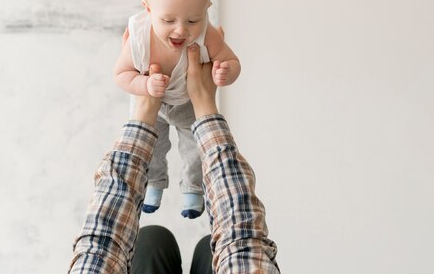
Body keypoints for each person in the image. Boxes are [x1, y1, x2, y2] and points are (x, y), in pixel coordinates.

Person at [70, 44, 279, 273]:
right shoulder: (144, 32)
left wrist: (143, 110)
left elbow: (101, 248)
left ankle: (190, 189)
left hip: (177, 107)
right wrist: (204, 102)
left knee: (150, 240)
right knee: (186, 244)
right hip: (183, 102)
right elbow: (245, 245)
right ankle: (158, 186)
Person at [114, 0, 241, 219]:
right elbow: (121, 75)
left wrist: (226, 72)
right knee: (152, 146)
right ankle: (153, 185)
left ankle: (194, 190)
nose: (181, 30)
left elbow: (231, 60)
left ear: (206, 9)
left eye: (192, 20)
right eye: (168, 20)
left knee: (195, 147)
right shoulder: (139, 37)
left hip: (188, 104)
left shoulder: (208, 35)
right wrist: (145, 83)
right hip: (152, 106)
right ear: (148, 9)